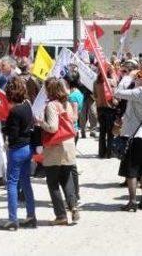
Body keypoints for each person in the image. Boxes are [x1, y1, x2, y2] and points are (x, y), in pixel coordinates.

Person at [114, 68, 142, 212]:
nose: (135, 80)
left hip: (135, 134)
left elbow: (117, 92)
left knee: (131, 170)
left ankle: (132, 201)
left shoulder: (140, 91)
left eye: (137, 78)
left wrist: (127, 77)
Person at [0, 77, 36, 231]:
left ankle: (13, 219)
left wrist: (4, 129)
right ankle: (31, 216)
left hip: (16, 149)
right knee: (26, 182)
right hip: (27, 147)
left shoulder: (14, 111)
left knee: (12, 184)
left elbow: (12, 135)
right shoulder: (27, 105)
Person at [40, 78, 79, 225]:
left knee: (53, 182)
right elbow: (72, 119)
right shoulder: (67, 104)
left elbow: (53, 128)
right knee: (67, 178)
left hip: (55, 147)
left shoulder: (51, 105)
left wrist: (40, 122)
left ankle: (61, 215)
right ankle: (73, 206)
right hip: (68, 144)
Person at [63, 72, 83, 201]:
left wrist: (63, 115)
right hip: (73, 130)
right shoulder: (77, 92)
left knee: (71, 164)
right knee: (71, 163)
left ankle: (75, 193)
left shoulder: (74, 96)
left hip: (71, 130)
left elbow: (75, 116)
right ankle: (75, 192)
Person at [94, 65, 118, 159]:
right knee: (110, 132)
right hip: (110, 109)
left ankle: (101, 152)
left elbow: (95, 95)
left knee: (102, 132)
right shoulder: (112, 82)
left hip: (100, 109)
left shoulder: (96, 82)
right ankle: (109, 153)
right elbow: (116, 95)